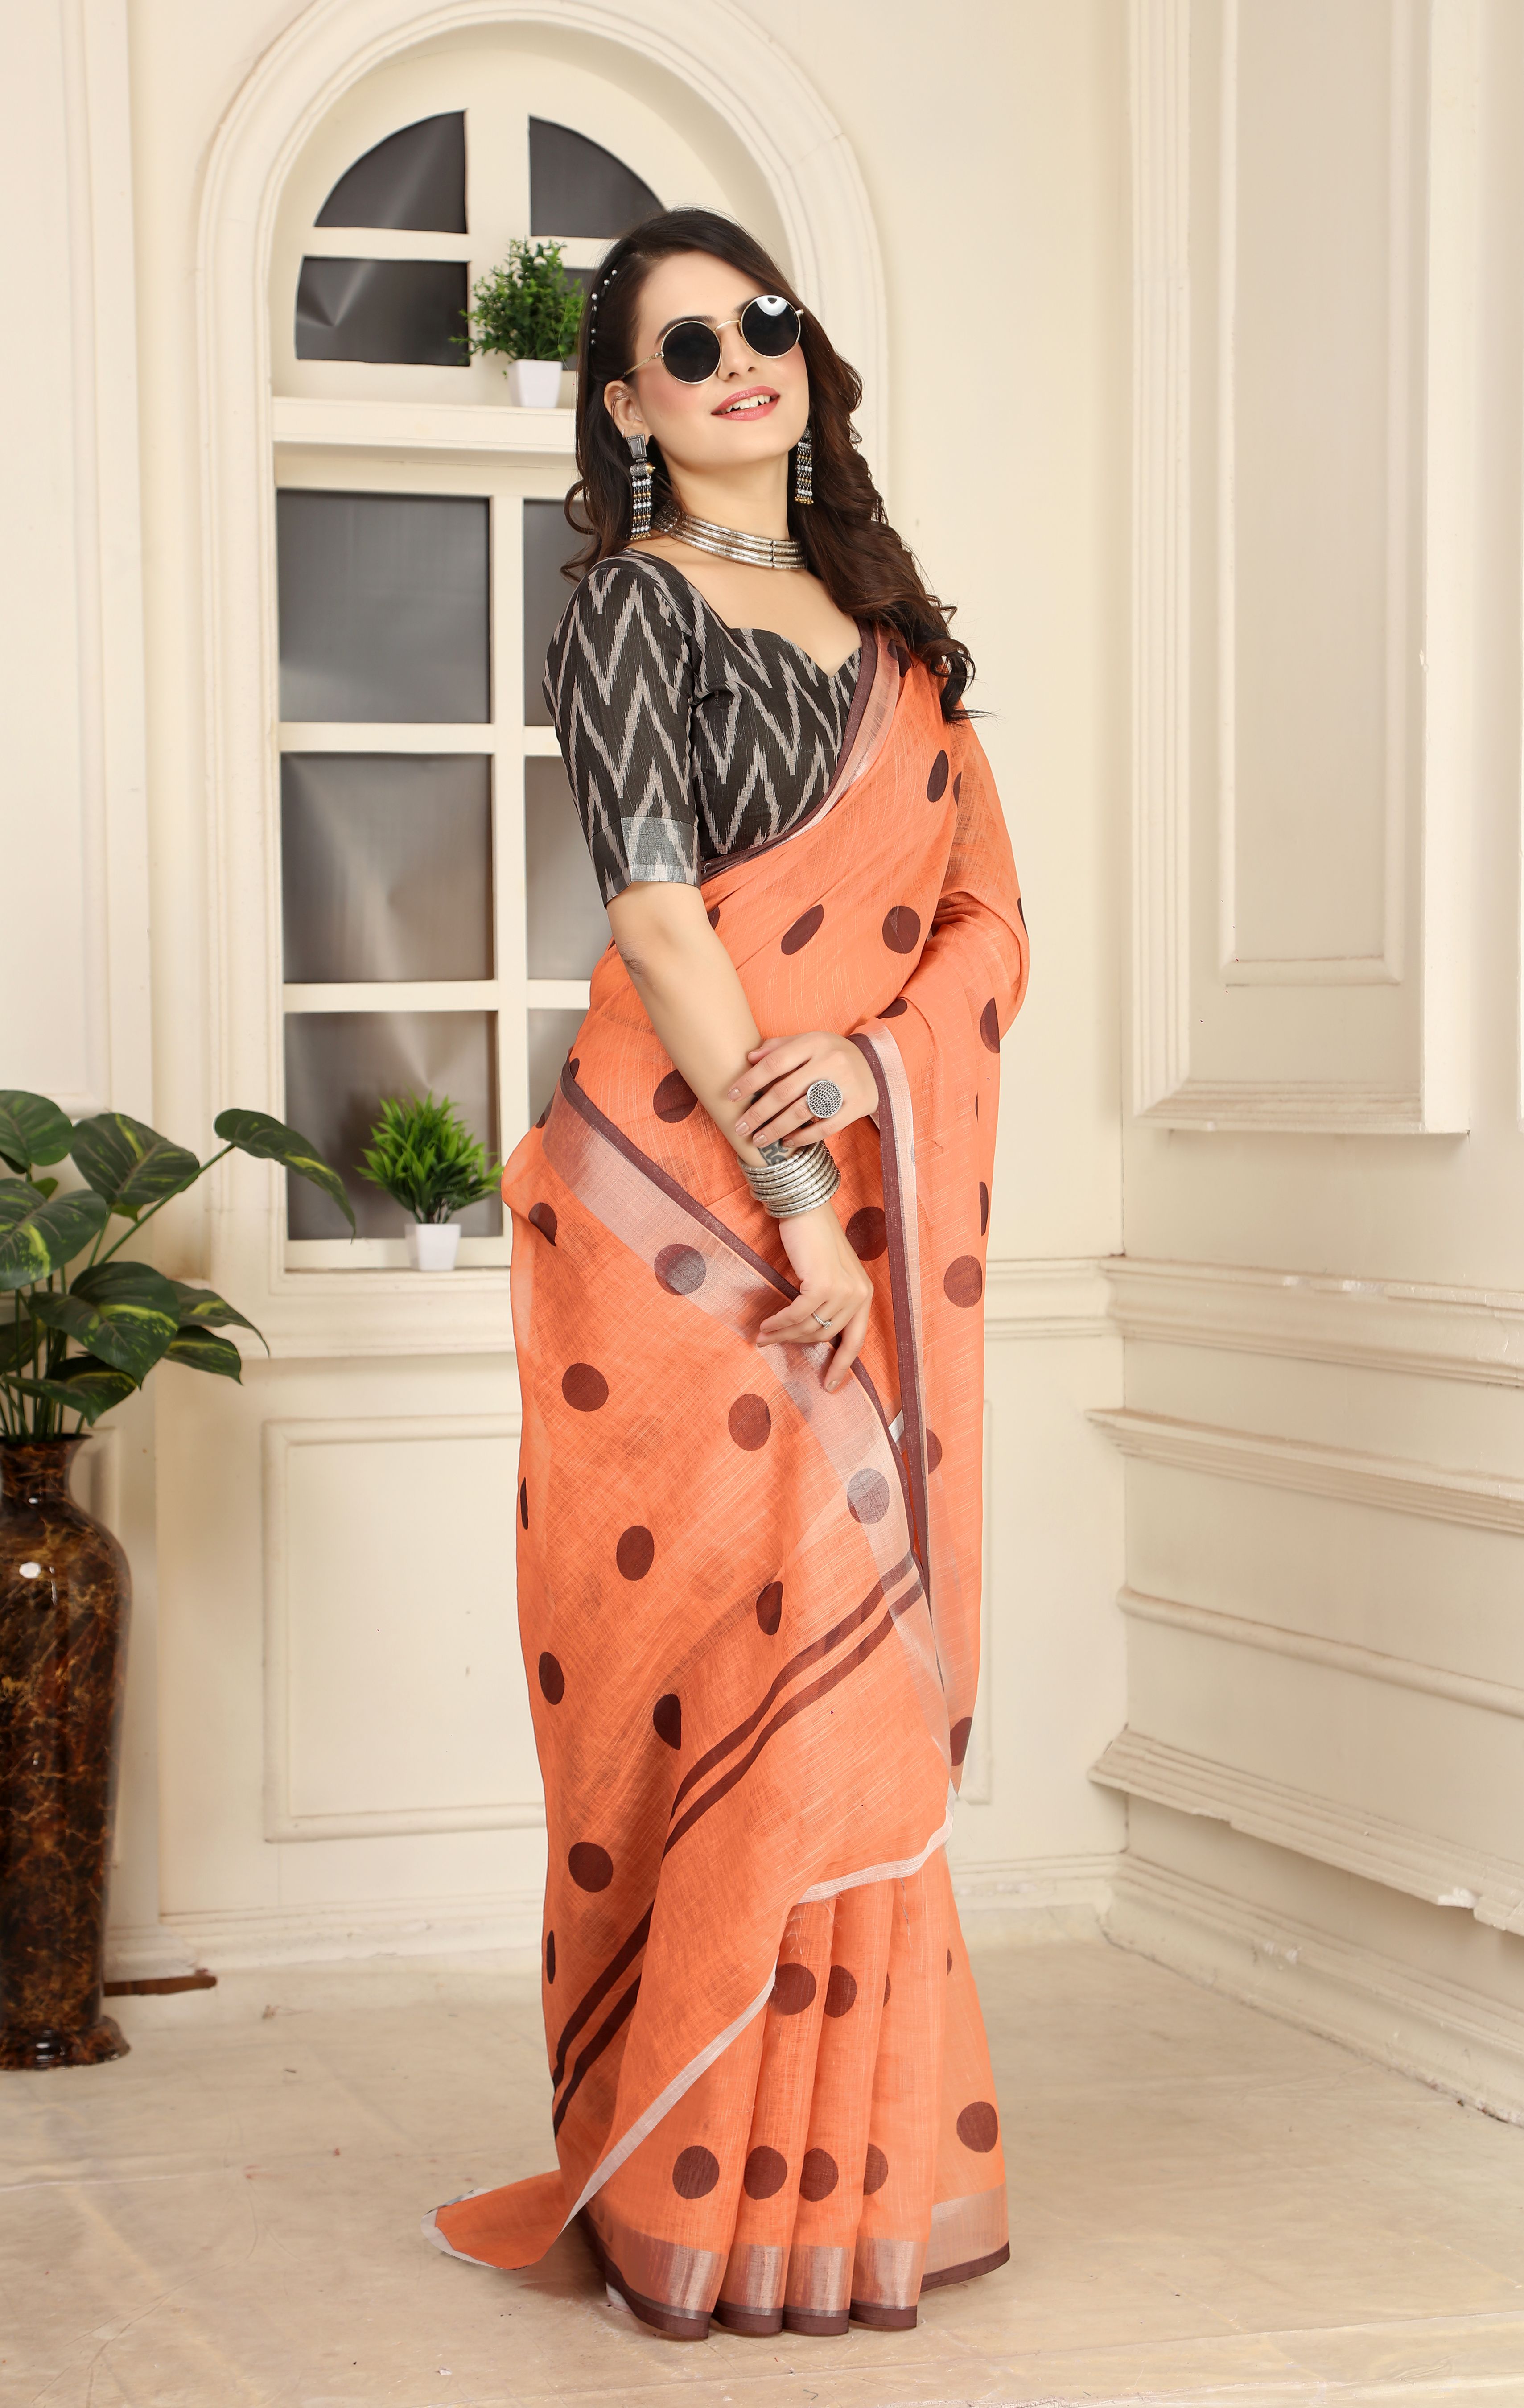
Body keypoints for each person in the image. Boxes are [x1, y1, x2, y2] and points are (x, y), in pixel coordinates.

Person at [424, 207, 1028, 2340]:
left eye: (760, 320)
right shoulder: (627, 608)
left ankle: (831, 2191)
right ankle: (695, 2192)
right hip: (681, 1220)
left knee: (842, 1683)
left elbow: (986, 924)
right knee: (698, 1679)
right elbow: (666, 924)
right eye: (685, 347)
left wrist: (873, 1070)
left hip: (835, 1175)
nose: (739, 361)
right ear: (626, 405)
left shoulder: (895, 638)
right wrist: (799, 1216)